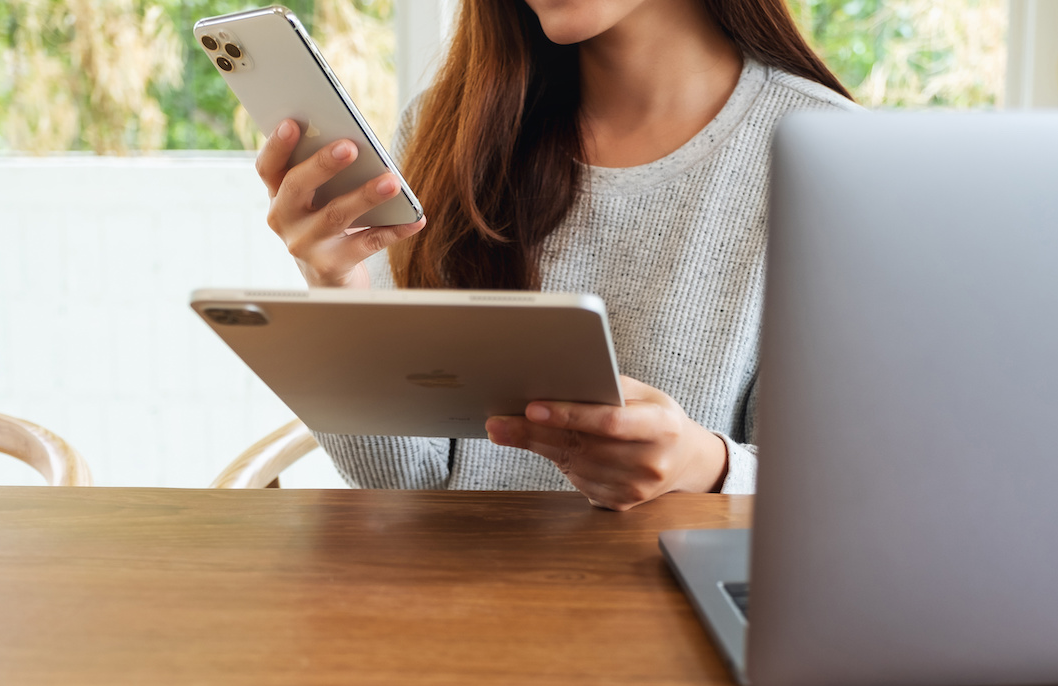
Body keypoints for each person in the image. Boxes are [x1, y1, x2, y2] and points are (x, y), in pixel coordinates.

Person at [254, 0, 858, 509]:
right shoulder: (449, 131)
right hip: (453, 613)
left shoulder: (832, 157)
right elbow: (401, 480)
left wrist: (705, 466)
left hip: (671, 625)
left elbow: (850, 502)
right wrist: (336, 285)